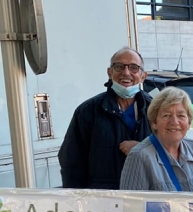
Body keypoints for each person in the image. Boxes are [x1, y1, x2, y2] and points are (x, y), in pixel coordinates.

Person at [59, 47, 152, 189]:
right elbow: (71, 163)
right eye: (119, 67)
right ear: (110, 73)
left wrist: (143, 150)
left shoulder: (155, 109)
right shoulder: (88, 111)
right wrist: (76, 202)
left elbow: (172, 153)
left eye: (134, 68)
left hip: (147, 198)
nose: (126, 73)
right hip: (104, 201)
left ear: (143, 76)